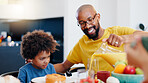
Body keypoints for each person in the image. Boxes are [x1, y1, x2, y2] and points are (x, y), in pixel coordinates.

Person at [54, 4, 148, 73]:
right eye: (82, 23)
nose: (87, 26)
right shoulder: (82, 45)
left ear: (98, 17)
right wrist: (41, 68)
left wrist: (124, 38)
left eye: (90, 20)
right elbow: (63, 66)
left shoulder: (117, 32)